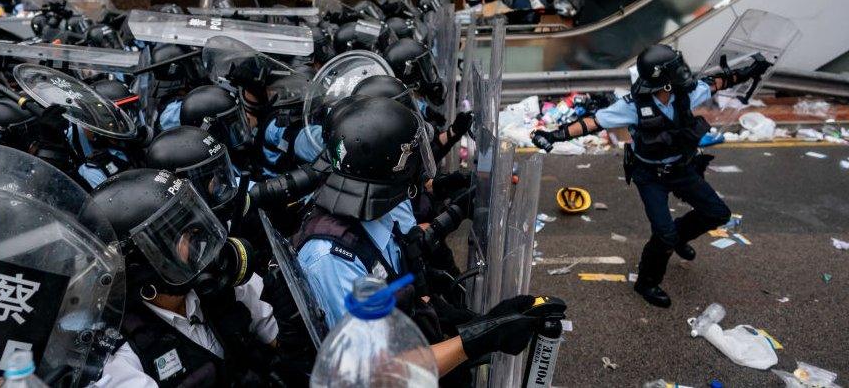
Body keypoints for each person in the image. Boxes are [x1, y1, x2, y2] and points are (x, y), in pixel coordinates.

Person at [292, 96, 562, 380]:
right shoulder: (332, 258)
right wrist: (478, 338)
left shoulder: (369, 215)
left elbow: (400, 280)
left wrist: (485, 320)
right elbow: (378, 375)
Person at [531, 44, 772, 307]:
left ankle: (678, 237)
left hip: (682, 169)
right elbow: (593, 122)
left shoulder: (685, 94)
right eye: (675, 69)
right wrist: (553, 135)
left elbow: (716, 83)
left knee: (717, 213)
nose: (682, 72)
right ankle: (647, 282)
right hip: (650, 175)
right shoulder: (633, 106)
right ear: (663, 80)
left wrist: (749, 71)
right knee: (663, 234)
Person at [90, 169, 279, 387]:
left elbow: (279, 337)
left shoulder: (217, 284)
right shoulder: (123, 361)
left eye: (194, 229)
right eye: (181, 237)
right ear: (140, 266)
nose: (199, 245)